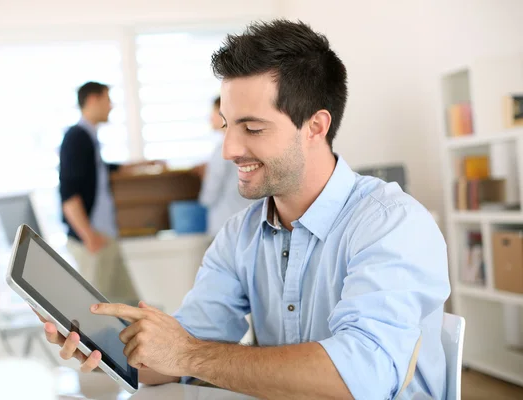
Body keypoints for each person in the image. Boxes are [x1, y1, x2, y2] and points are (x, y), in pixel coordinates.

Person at [44, 20, 450, 399]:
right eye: (227, 125)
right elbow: (174, 355)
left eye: (252, 128)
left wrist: (188, 354)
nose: (230, 150)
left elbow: (363, 376)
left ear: (315, 127)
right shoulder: (241, 235)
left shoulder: (391, 223)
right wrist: (106, 352)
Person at [59, 81, 138, 303]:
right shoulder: (76, 138)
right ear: (93, 100)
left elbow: (98, 171)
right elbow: (69, 193)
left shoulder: (88, 137)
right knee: (93, 310)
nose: (111, 106)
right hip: (93, 240)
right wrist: (88, 235)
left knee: (130, 305)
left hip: (106, 236)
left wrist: (136, 166)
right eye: (107, 100)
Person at [198, 96, 253, 238]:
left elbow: (210, 194)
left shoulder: (223, 149)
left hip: (225, 226)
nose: (210, 118)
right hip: (246, 224)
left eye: (214, 113)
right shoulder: (247, 145)